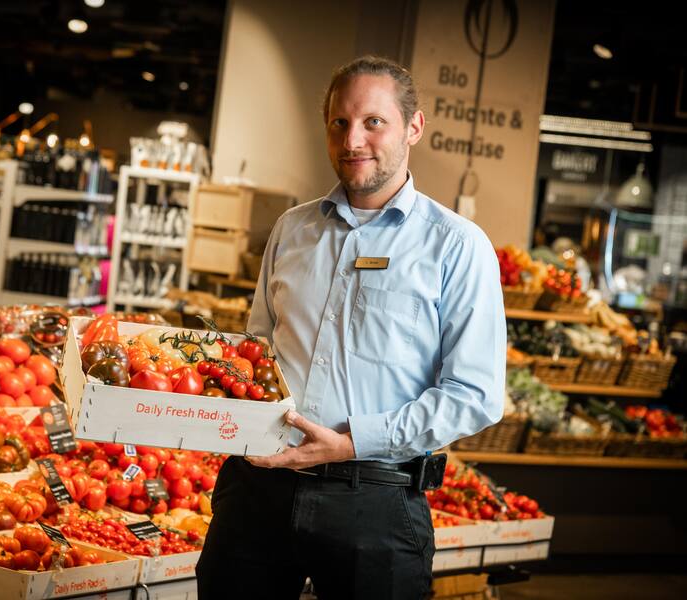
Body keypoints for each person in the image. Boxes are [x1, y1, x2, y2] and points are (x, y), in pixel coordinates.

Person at [195, 56, 506, 599]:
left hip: (375, 503)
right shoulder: (292, 230)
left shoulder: (456, 246)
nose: (352, 139)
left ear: (414, 127)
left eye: (373, 122)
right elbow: (255, 354)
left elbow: (475, 395)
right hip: (257, 492)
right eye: (339, 123)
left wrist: (351, 442)